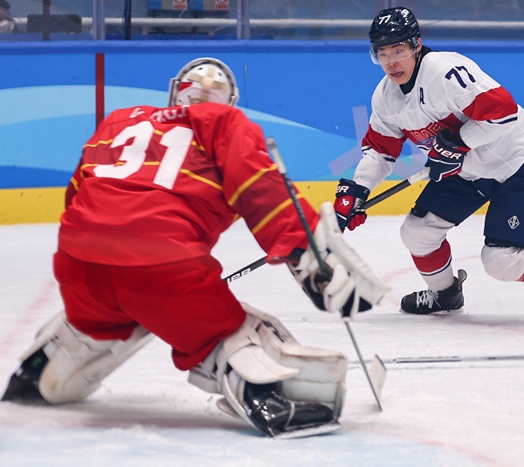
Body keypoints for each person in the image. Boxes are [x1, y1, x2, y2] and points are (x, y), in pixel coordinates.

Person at [1, 57, 389, 438]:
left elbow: (78, 194)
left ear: (175, 94)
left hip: (78, 264)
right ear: (229, 100)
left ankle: (44, 367)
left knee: (112, 313)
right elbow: (261, 191)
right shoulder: (224, 122)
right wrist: (310, 255)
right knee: (233, 329)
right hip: (163, 265)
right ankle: (268, 391)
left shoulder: (119, 120)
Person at [333, 7, 524, 321]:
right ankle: (446, 295)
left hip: (515, 163)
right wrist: (357, 188)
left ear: (416, 45)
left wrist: (458, 142)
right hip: (466, 172)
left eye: (399, 50)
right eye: (383, 53)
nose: (392, 61)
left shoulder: (445, 72)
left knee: (500, 261)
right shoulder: (385, 98)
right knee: (417, 233)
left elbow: (504, 112)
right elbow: (380, 151)